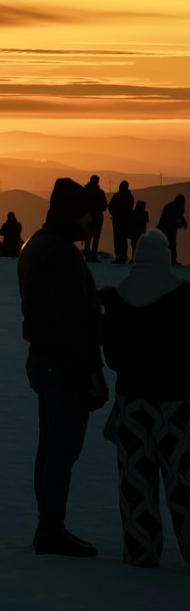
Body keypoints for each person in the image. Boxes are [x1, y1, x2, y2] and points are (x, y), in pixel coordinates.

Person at [18, 176, 107, 557]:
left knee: (50, 443)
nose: (92, 223)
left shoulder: (36, 245)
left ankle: (48, 522)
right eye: (88, 215)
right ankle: (50, 528)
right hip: (62, 363)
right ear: (75, 215)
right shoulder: (63, 256)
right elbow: (73, 322)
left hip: (43, 359)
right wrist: (92, 371)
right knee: (61, 447)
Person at [100, 230, 190, 568]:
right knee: (182, 480)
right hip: (176, 403)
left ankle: (141, 551)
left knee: (136, 481)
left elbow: (112, 357)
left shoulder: (118, 298)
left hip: (130, 404)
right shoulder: (183, 295)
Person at [106, 180, 134, 265]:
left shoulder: (117, 196)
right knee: (123, 238)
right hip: (125, 221)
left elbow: (110, 207)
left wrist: (115, 214)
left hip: (117, 221)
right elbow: (129, 209)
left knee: (117, 238)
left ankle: (118, 257)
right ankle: (123, 256)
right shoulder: (129, 197)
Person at [83, 175, 108, 262]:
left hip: (86, 218)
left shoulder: (84, 191)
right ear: (97, 182)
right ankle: (93, 256)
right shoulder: (100, 192)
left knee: (87, 238)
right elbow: (105, 206)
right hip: (97, 218)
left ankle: (87, 256)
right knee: (96, 239)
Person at [157, 193, 187, 266]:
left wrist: (183, 223)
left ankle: (171, 260)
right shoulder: (172, 208)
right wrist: (180, 224)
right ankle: (170, 260)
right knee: (170, 244)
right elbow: (170, 220)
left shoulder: (174, 207)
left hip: (167, 229)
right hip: (166, 229)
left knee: (170, 244)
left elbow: (179, 216)